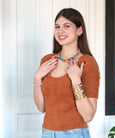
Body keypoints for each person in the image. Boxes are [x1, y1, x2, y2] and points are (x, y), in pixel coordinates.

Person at [34, 8, 100, 138]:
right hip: (47, 133)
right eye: (57, 27)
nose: (60, 31)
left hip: (74, 133)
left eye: (67, 26)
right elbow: (42, 108)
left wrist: (76, 80)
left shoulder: (86, 62)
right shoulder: (47, 61)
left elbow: (88, 116)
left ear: (79, 30)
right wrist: (37, 78)